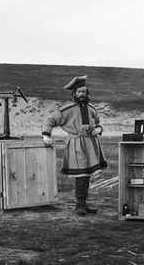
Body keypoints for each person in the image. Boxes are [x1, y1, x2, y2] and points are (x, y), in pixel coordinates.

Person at [41, 75, 108, 215]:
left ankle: (84, 204)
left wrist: (99, 129)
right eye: (79, 92)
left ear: (87, 93)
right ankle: (79, 206)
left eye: (84, 91)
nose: (81, 94)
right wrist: (46, 136)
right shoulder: (67, 110)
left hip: (91, 143)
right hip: (76, 144)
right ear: (74, 94)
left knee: (88, 174)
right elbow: (49, 120)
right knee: (81, 175)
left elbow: (98, 123)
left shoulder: (92, 109)